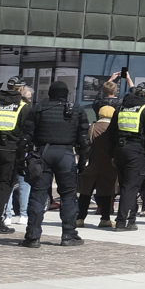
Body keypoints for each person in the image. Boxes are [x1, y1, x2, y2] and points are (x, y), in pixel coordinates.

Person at [23, 82, 84, 248]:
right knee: (68, 195)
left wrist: (27, 157)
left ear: (50, 93)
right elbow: (83, 139)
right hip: (65, 154)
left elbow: (27, 134)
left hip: (42, 153)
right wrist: (83, 161)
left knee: (38, 194)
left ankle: (33, 236)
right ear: (66, 94)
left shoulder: (38, 108)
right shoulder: (77, 110)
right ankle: (68, 234)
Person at [109, 82, 145, 232]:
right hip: (137, 151)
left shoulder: (121, 107)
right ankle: (122, 221)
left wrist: (112, 154)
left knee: (126, 186)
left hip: (120, 150)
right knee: (131, 187)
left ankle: (130, 220)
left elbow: (111, 132)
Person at [0, 78, 33, 234]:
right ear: (21, 89)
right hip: (10, 150)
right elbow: (27, 132)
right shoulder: (23, 107)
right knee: (4, 185)